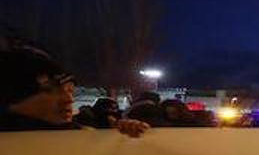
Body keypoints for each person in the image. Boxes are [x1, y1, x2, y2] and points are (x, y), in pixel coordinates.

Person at [0, 38, 148, 136]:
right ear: (13, 98)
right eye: (51, 90)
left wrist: (118, 138)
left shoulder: (82, 136)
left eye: (70, 90)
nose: (68, 100)